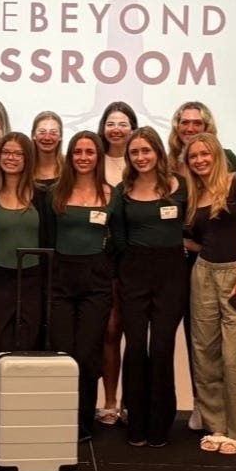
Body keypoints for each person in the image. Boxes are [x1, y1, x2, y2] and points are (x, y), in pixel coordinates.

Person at [166, 101, 236, 433]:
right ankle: (204, 404)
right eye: (184, 122)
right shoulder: (168, 166)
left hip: (223, 264)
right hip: (182, 263)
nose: (190, 128)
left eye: (197, 122)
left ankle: (230, 414)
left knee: (227, 346)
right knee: (199, 342)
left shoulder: (230, 164)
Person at [110, 126, 188, 447]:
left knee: (161, 347)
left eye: (146, 150)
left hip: (172, 274)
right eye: (134, 152)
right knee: (136, 347)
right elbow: (117, 239)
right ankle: (136, 421)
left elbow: (193, 225)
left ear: (158, 151)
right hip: (133, 274)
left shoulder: (179, 187)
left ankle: (160, 423)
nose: (141, 157)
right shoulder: (121, 191)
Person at [183, 133, 236, 455]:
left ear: (216, 154)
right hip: (203, 274)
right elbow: (196, 238)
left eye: (205, 154)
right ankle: (216, 426)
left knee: (235, 358)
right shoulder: (194, 194)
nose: (200, 160)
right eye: (193, 157)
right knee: (205, 355)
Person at [48, 131, 113, 441]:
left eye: (90, 152)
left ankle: (84, 422)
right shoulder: (55, 194)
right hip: (60, 280)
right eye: (78, 152)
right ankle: (60, 419)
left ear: (98, 156)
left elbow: (119, 241)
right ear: (70, 156)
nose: (84, 157)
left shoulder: (111, 195)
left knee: (88, 355)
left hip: (97, 281)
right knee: (63, 354)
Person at [0, 132, 51, 379]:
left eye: (17, 153)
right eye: (6, 152)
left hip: (33, 280)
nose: (11, 158)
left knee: (29, 343)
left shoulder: (43, 196)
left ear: (28, 158)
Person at [95, 101, 137, 427]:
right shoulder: (91, 160)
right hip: (101, 259)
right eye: (111, 122)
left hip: (135, 258)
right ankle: (108, 402)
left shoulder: (143, 161)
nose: (117, 128)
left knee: (134, 332)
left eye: (124, 123)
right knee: (109, 331)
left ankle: (131, 400)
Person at [31, 111, 64, 186]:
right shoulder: (24, 167)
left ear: (60, 136)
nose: (47, 137)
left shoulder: (69, 167)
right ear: (33, 135)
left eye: (53, 132)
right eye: (42, 132)